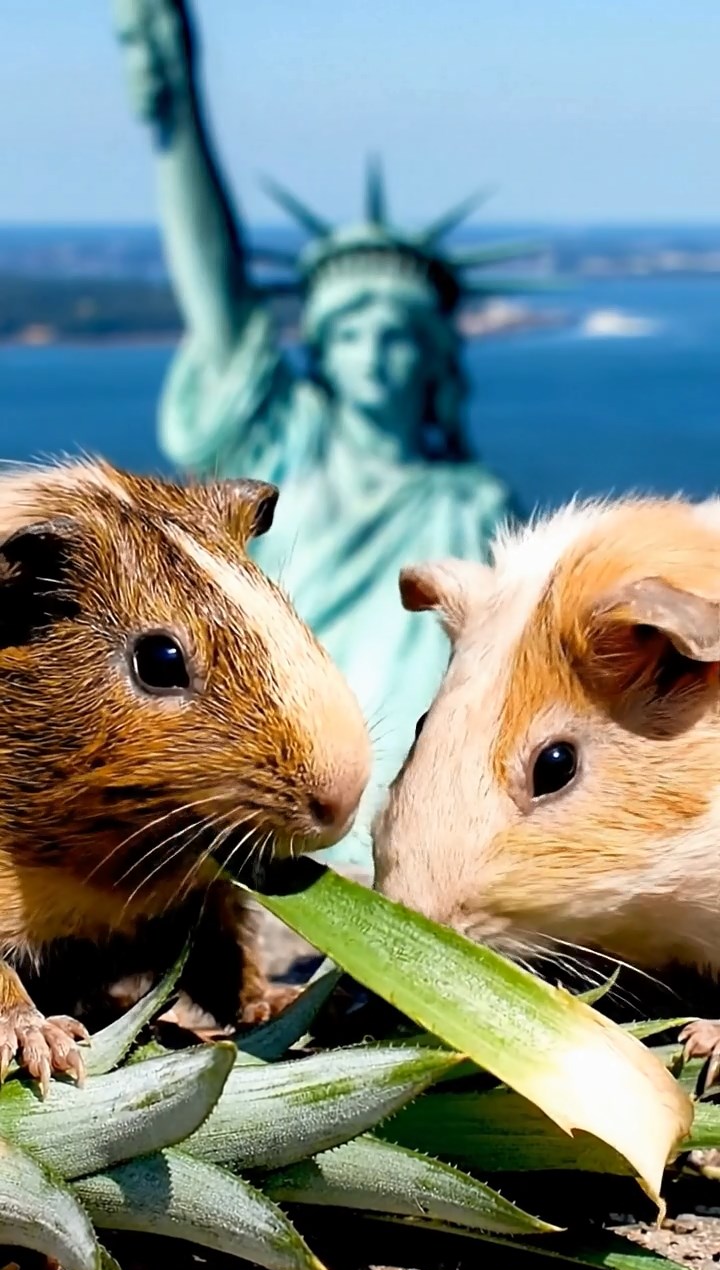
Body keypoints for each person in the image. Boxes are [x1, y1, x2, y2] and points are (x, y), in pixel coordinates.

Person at [114, 0, 526, 868]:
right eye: (351, 332)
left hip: (404, 837)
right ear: (324, 350)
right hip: (262, 801)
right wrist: (177, 114)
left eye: (397, 336)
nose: (373, 355)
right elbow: (219, 302)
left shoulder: (474, 504)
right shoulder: (281, 445)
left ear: (433, 359)